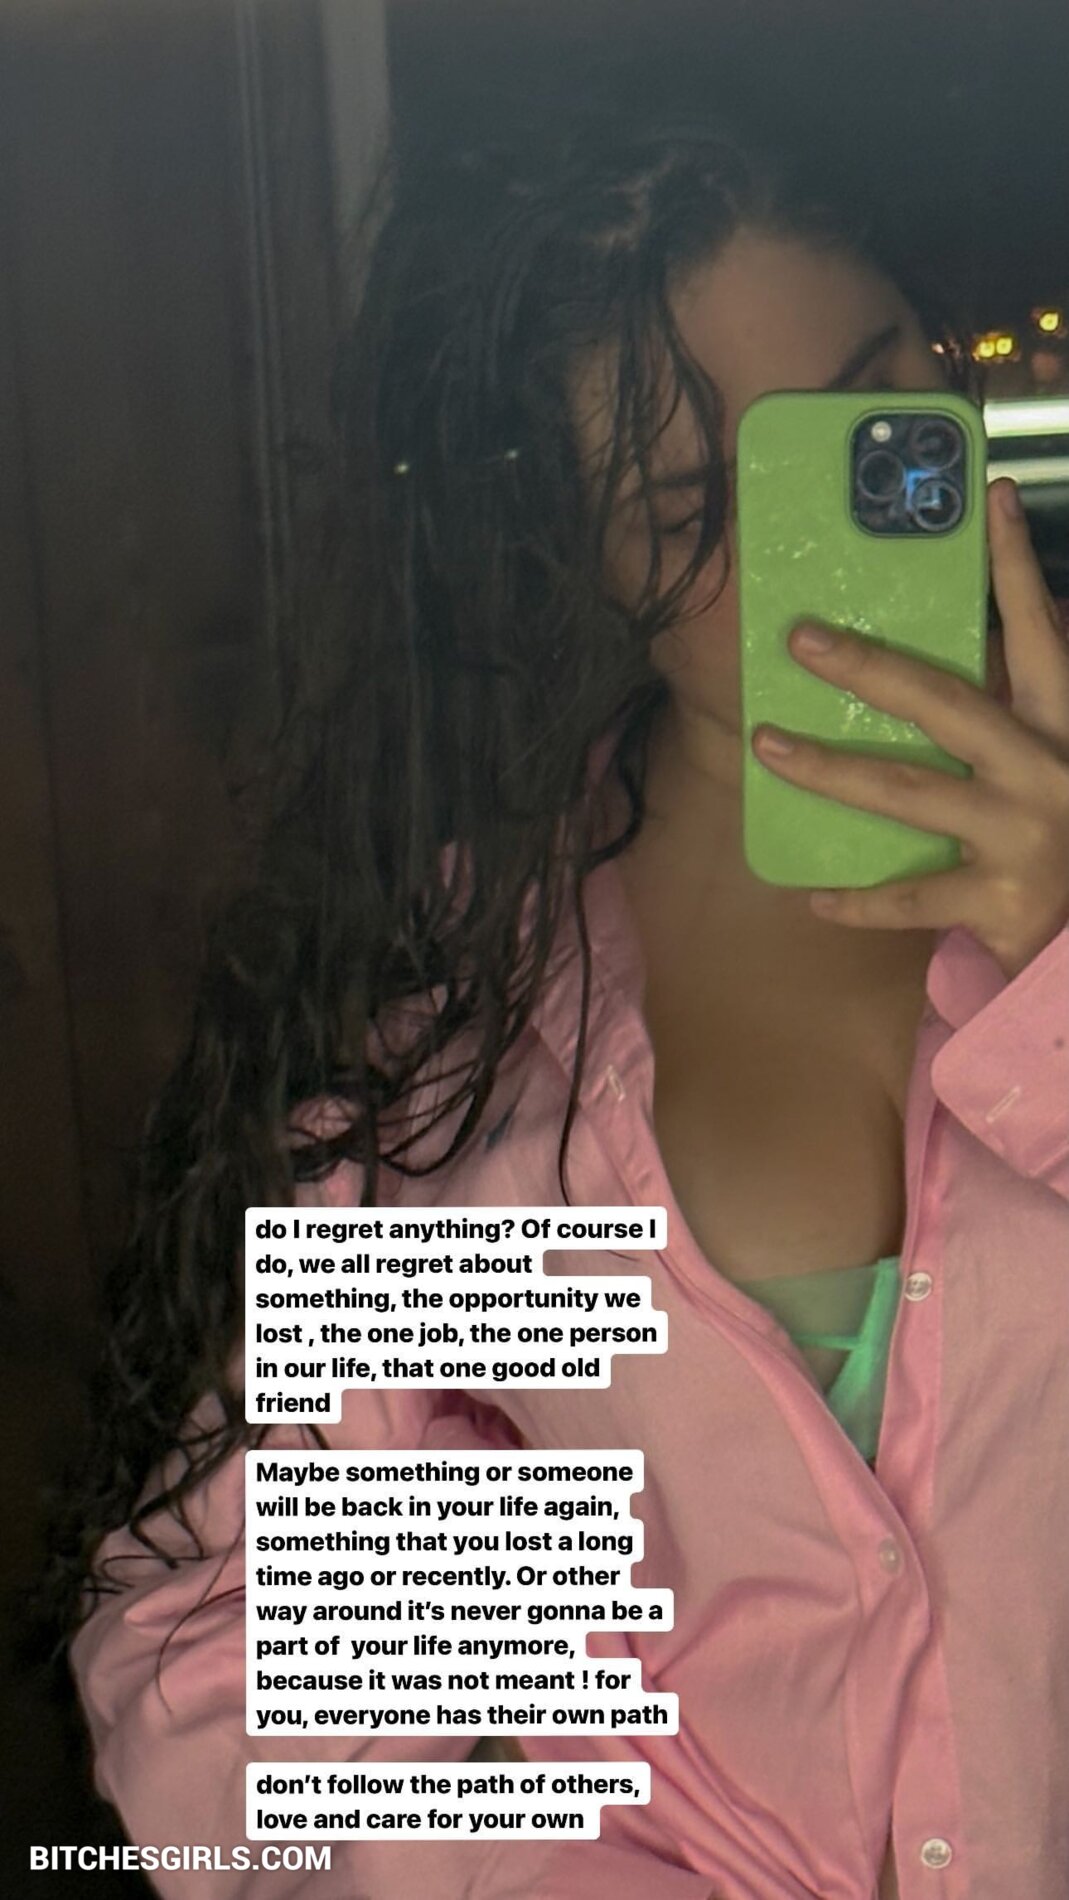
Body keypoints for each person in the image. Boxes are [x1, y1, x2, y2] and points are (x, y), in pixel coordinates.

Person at [52, 113, 1069, 1900]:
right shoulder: (462, 1024)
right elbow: (240, 1672)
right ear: (575, 556)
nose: (829, 548)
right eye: (696, 512)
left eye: (865, 415)